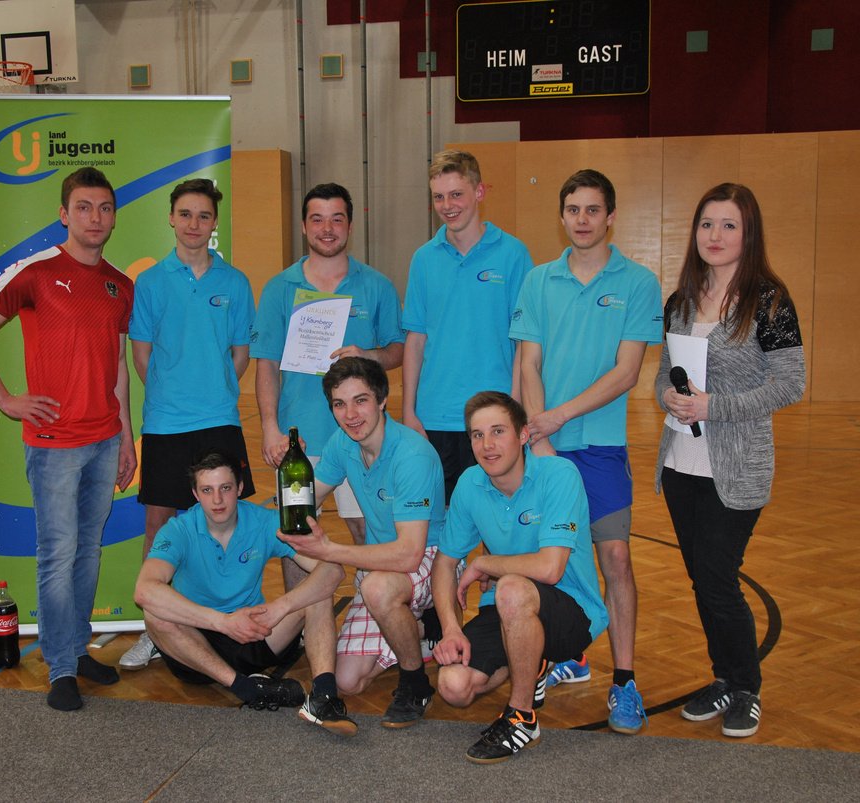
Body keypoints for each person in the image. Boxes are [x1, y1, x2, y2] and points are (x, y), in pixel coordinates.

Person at [0, 167, 136, 711]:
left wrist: (126, 438)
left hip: (104, 440)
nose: (95, 217)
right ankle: (60, 668)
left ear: (113, 217)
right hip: (54, 444)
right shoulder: (35, 272)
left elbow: (118, 366)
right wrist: (4, 399)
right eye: (84, 207)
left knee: (88, 551)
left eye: (104, 208)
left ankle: (76, 649)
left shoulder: (119, 285)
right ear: (63, 214)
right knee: (57, 554)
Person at [509, 169, 662, 734]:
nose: (582, 219)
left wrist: (559, 417)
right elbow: (528, 364)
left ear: (610, 216)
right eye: (573, 209)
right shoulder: (538, 281)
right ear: (562, 215)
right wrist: (541, 437)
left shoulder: (639, 283)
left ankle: (625, 682)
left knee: (614, 559)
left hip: (599, 447)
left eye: (593, 209)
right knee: (549, 562)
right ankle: (563, 655)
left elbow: (626, 372)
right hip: (543, 444)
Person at [656, 182, 805, 738]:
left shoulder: (769, 301)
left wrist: (713, 406)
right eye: (706, 224)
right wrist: (667, 397)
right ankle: (723, 676)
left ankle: (745, 687)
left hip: (736, 467)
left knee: (718, 578)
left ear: (748, 233)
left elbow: (790, 384)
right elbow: (663, 372)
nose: (715, 235)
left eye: (728, 225)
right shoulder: (680, 301)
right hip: (681, 464)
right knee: (702, 580)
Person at [121, 178, 257, 672]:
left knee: (226, 520)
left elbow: (240, 355)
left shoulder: (235, 283)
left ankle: (224, 620)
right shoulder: (151, 282)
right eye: (185, 214)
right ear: (171, 218)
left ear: (214, 222)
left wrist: (212, 391)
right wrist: (174, 392)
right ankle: (155, 629)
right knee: (159, 526)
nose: (194, 224)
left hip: (219, 421)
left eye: (203, 215)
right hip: (165, 423)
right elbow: (141, 356)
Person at [432, 391, 607, 764]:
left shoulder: (558, 475)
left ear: (524, 435)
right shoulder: (470, 483)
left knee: (510, 587)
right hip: (507, 607)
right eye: (477, 435)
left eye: (498, 431)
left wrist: (486, 563)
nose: (487, 445)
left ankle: (522, 717)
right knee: (454, 686)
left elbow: (550, 569)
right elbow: (445, 563)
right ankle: (533, 658)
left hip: (572, 609)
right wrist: (450, 628)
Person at [279, 357, 445, 731]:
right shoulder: (343, 443)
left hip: (431, 555)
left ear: (382, 400)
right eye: (340, 404)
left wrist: (331, 551)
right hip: (381, 560)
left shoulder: (412, 455)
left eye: (361, 401)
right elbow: (307, 499)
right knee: (347, 681)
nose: (350, 415)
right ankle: (423, 627)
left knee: (377, 588)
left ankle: (415, 685)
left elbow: (409, 553)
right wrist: (284, 489)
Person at [133, 453, 350, 727]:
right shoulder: (178, 531)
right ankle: (246, 688)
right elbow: (144, 591)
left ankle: (324, 696)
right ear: (195, 494)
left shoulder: (265, 522)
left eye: (225, 488)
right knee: (154, 614)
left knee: (317, 591)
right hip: (197, 646)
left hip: (253, 632)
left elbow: (333, 569)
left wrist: (280, 607)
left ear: (240, 488)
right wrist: (222, 622)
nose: (217, 500)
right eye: (207, 490)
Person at [251, 183, 404, 560]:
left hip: (362, 435)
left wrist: (367, 356)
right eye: (317, 219)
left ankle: (372, 598)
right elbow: (266, 363)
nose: (327, 228)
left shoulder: (376, 286)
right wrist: (270, 428)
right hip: (298, 440)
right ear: (304, 226)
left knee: (369, 531)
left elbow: (398, 350)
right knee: (295, 535)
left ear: (350, 225)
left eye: (337, 219)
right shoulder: (279, 289)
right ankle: (302, 605)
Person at [401, 149, 533, 502]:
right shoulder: (423, 259)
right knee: (440, 520)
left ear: (479, 192)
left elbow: (524, 341)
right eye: (438, 197)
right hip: (435, 416)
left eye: (456, 194)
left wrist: (515, 406)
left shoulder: (513, 254)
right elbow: (415, 340)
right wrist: (409, 411)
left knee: (497, 518)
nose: (447, 205)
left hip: (493, 416)